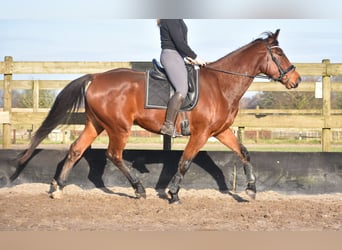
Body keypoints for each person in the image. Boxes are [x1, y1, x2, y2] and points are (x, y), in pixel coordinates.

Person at [157, 19, 206, 137]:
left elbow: (181, 42)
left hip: (178, 56)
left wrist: (187, 57)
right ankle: (168, 125)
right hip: (170, 55)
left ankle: (185, 122)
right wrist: (195, 56)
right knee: (182, 89)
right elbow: (179, 42)